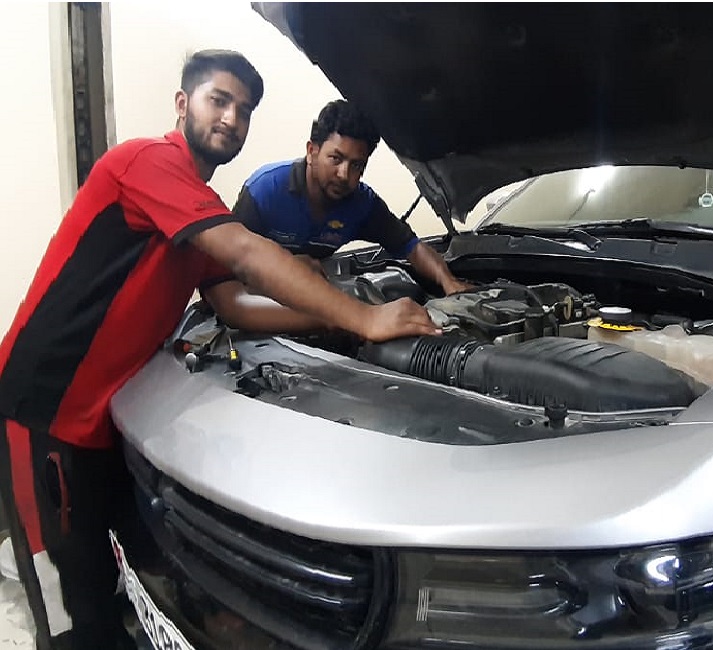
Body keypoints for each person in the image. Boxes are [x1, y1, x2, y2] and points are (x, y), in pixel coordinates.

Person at [0, 50, 437, 650]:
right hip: (46, 408)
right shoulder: (146, 163)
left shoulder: (195, 205)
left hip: (109, 413)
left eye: (245, 110)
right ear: (183, 104)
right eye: (219, 100)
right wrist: (363, 317)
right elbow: (248, 254)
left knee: (122, 573)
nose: (232, 118)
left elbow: (233, 305)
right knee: (73, 601)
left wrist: (337, 324)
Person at [230, 99, 472, 296]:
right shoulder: (265, 190)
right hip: (254, 298)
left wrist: (448, 282)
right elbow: (226, 265)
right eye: (336, 159)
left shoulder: (362, 205)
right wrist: (285, 266)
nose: (344, 174)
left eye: (357, 165)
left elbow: (412, 247)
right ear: (312, 151)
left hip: (311, 296)